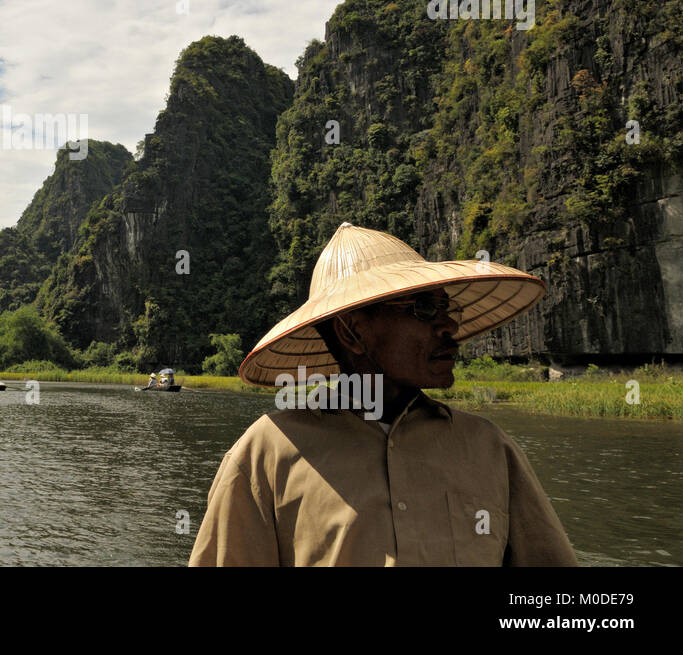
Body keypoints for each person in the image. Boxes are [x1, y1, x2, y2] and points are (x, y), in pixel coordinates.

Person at [189, 222, 578, 567]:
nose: (448, 327)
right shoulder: (265, 456)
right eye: (425, 308)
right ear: (352, 332)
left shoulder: (490, 448)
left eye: (446, 308)